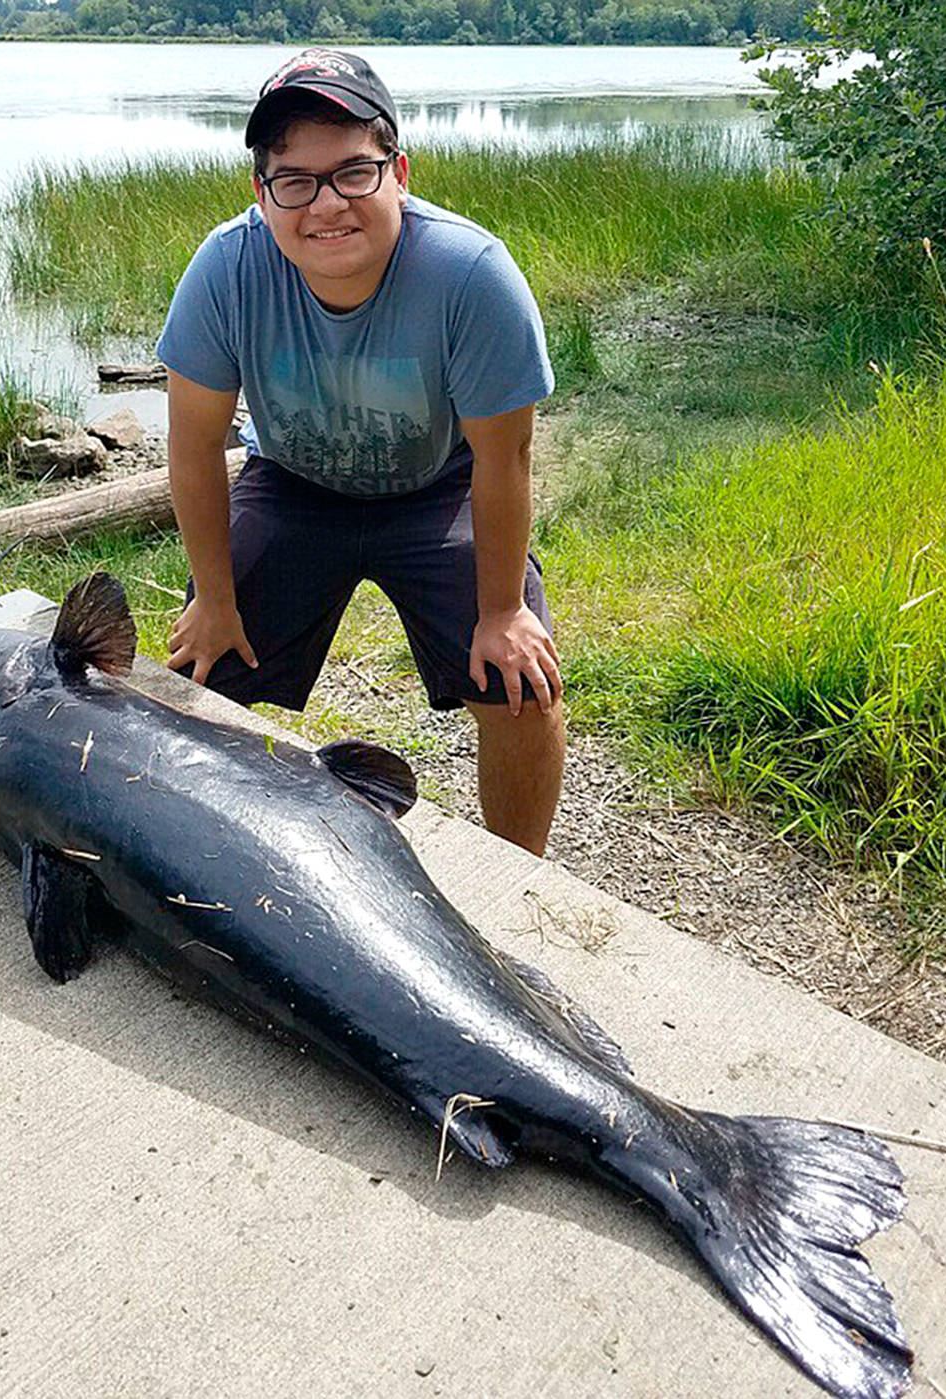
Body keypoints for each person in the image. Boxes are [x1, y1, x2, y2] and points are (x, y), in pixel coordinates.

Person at [156, 49, 564, 855]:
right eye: (295, 181)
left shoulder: (471, 274)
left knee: (522, 687)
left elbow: (503, 460)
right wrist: (215, 598)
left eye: (354, 173)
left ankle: (523, 884)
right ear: (262, 194)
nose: (326, 204)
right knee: (191, 678)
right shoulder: (226, 269)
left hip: (439, 485)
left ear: (399, 171)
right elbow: (196, 447)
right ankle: (204, 868)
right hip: (293, 485)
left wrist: (502, 611)